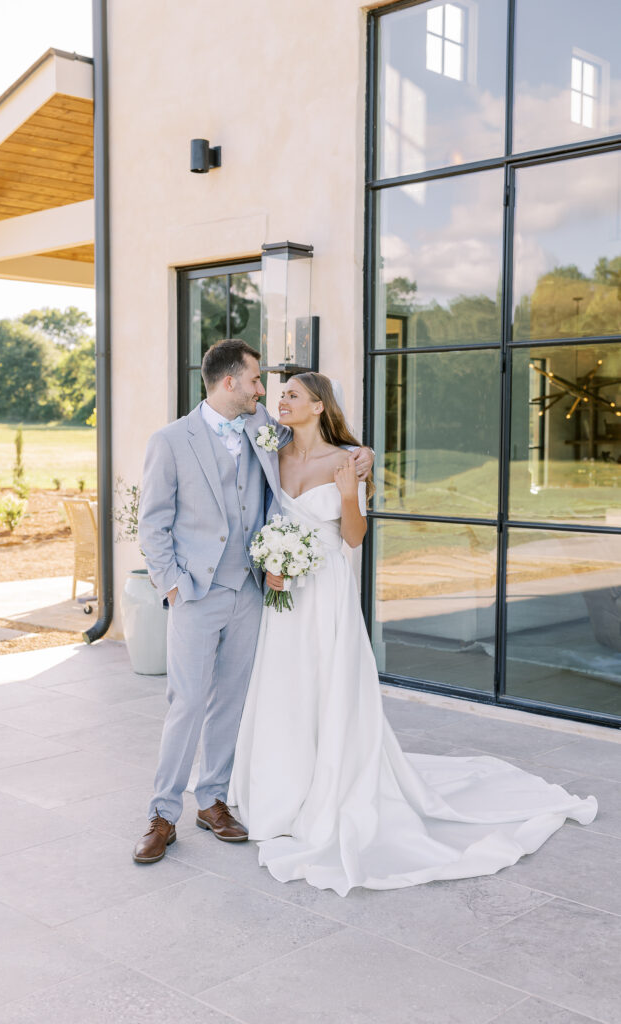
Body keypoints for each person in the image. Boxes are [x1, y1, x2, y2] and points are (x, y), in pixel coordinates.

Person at [229, 373, 598, 897]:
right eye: (279, 393)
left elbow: (353, 537)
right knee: (284, 687)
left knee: (329, 684)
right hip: (284, 590)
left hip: (326, 586)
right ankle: (281, 786)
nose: (279, 400)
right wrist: (271, 561)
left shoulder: (346, 460)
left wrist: (348, 493)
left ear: (318, 406)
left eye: (291, 394)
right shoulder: (273, 450)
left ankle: (330, 785)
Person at [133, 341, 373, 863]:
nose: (264, 390)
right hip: (195, 593)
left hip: (251, 592)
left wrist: (363, 455)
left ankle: (213, 799)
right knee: (187, 702)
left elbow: (322, 431)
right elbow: (151, 522)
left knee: (232, 701)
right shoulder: (171, 440)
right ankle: (162, 813)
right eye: (256, 380)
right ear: (228, 383)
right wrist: (171, 585)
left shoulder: (263, 425)